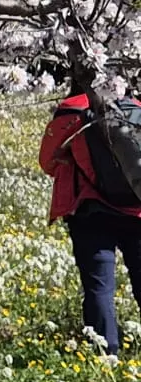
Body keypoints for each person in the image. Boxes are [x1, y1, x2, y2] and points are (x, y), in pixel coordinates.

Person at [42, 90, 141, 354]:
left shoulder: (71, 110)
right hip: (136, 210)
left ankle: (106, 352)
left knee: (99, 286)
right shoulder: (135, 107)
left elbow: (47, 162)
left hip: (89, 211)